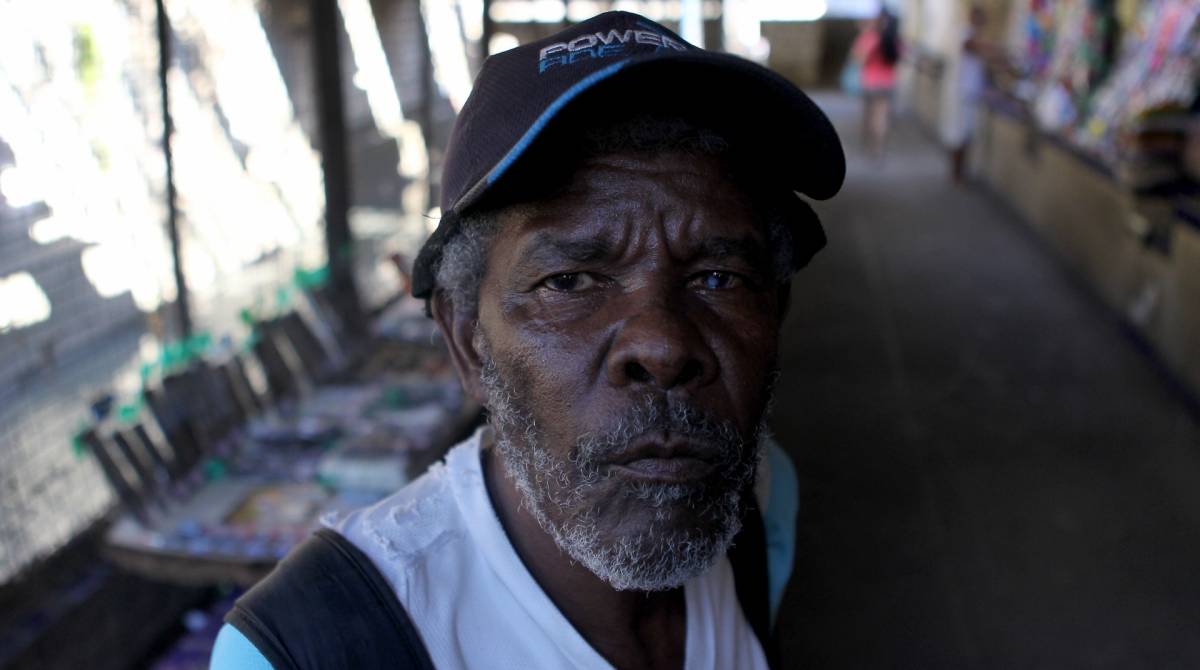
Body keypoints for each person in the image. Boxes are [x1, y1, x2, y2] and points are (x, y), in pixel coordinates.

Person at [210, 10, 843, 669]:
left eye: (721, 277)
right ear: (467, 341)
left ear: (778, 314)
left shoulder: (761, 504)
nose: (660, 344)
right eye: (569, 281)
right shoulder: (308, 649)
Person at [850, 6, 902, 158]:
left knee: (869, 114)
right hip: (888, 82)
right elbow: (901, 57)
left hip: (870, 82)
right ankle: (878, 147)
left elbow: (858, 59)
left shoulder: (869, 38)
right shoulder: (894, 39)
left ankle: (868, 143)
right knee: (882, 116)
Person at [950, 5, 990, 183]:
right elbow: (972, 47)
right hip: (965, 95)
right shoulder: (967, 34)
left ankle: (960, 172)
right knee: (961, 135)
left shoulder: (973, 36)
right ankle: (957, 174)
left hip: (970, 94)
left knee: (966, 136)